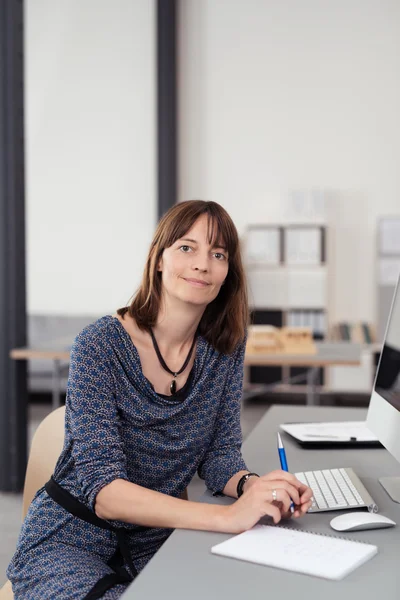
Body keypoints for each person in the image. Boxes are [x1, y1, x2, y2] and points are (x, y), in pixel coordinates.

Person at [7, 200, 313, 599]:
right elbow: (106, 494)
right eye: (187, 248)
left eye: (218, 254)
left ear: (228, 272)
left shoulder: (224, 349)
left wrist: (255, 489)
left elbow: (220, 456)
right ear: (159, 259)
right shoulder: (99, 346)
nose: (203, 264)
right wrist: (228, 517)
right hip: (69, 540)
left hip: (155, 541)